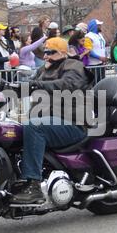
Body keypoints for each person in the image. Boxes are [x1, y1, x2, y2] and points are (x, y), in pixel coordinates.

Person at [10, 37, 93, 204]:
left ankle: (33, 185)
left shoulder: (73, 65)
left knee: (34, 126)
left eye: (50, 52)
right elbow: (31, 85)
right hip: (52, 124)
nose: (46, 56)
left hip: (72, 124)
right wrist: (6, 88)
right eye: (45, 52)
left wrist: (37, 84)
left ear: (62, 53)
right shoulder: (44, 70)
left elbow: (67, 84)